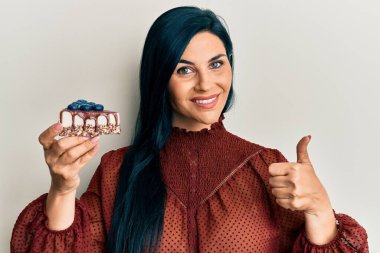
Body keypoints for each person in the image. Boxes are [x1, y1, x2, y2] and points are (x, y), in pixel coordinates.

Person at [11, 6, 368, 253]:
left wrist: (320, 209)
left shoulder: (270, 168)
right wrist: (62, 187)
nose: (206, 84)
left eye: (216, 64)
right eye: (184, 70)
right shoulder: (117, 171)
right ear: (159, 79)